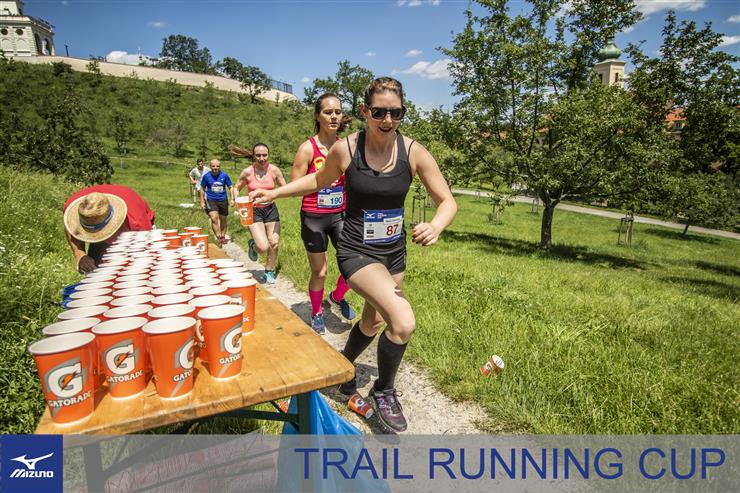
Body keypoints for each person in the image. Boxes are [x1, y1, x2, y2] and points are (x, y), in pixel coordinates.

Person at [250, 77, 457, 432]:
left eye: (396, 113)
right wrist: (275, 193)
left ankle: (342, 371)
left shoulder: (413, 151)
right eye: (379, 112)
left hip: (394, 252)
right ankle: (383, 391)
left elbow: (447, 201)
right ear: (364, 111)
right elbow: (318, 181)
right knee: (402, 322)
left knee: (373, 322)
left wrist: (436, 225)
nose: (388, 120)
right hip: (357, 250)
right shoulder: (346, 149)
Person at [291, 93, 356, 334]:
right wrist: (321, 181)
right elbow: (295, 187)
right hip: (314, 218)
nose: (334, 116)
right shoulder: (307, 148)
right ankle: (317, 312)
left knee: (355, 266)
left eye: (338, 112)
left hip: (340, 216)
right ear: (318, 116)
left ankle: (337, 297)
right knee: (320, 272)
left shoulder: (345, 147)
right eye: (328, 112)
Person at [63, 185, 155, 273]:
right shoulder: (73, 207)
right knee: (97, 272)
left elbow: (146, 253)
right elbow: (71, 229)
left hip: (135, 237)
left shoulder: (136, 223)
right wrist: (80, 254)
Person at [232, 143, 287, 284]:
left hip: (270, 209)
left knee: (274, 243)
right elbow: (236, 187)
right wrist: (236, 199)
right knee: (262, 247)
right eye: (258, 155)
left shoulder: (274, 170)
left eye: (264, 155)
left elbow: (285, 188)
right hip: (253, 210)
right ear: (253, 156)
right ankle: (253, 245)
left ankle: (269, 271)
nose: (262, 158)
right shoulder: (247, 172)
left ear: (268, 155)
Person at [200, 159, 234, 245]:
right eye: (213, 166)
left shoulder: (224, 175)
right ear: (210, 166)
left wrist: (232, 198)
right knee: (214, 218)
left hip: (223, 200)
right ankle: (218, 238)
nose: (215, 167)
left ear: (220, 166)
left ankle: (223, 236)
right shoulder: (206, 176)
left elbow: (230, 187)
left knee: (223, 219)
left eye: (217, 166)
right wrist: (202, 201)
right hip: (211, 200)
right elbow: (202, 189)